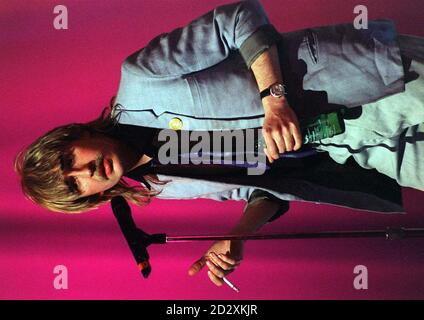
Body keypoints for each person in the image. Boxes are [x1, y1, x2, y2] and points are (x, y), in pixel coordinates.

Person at [14, 0, 424, 288]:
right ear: (87, 198)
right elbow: (261, 189)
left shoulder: (140, 79)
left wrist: (274, 99)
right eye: (73, 184)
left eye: (70, 159)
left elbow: (238, 17)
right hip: (359, 154)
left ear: (79, 134)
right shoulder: (166, 185)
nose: (84, 171)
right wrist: (240, 235)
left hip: (361, 84)